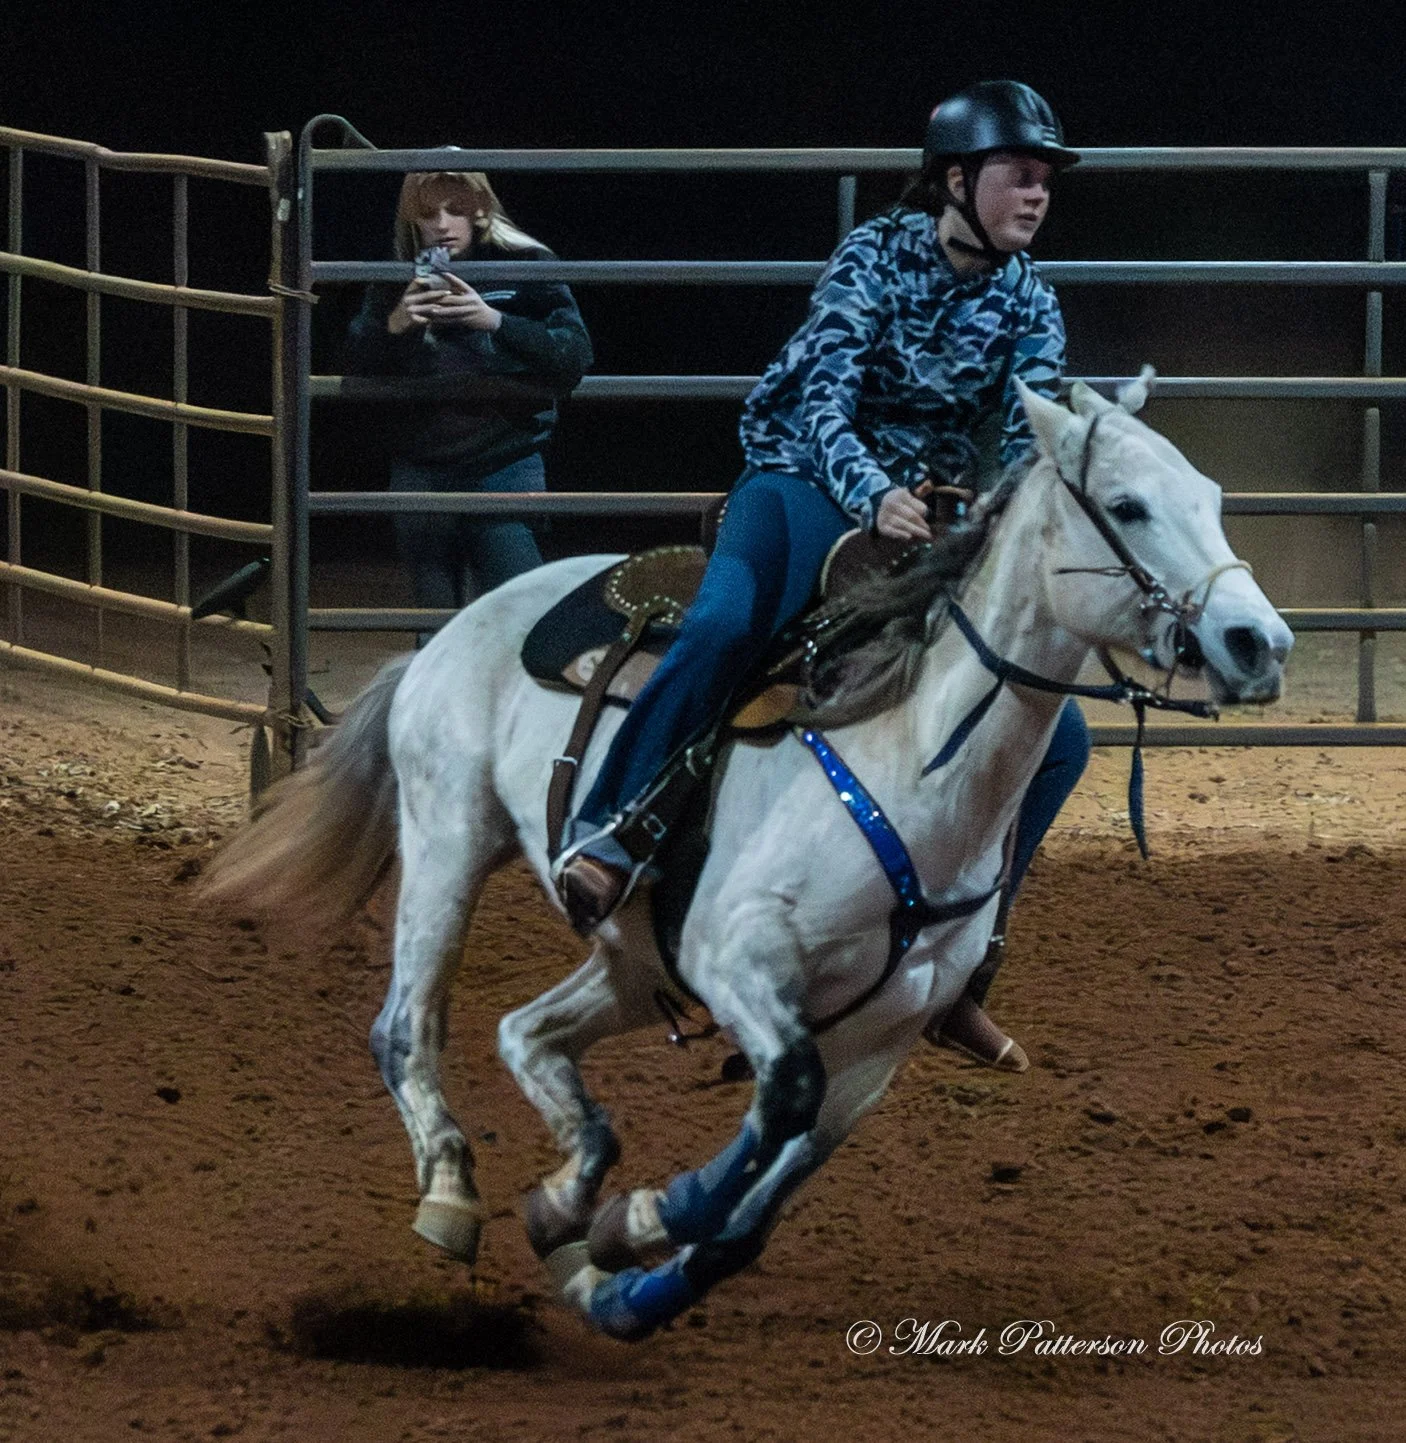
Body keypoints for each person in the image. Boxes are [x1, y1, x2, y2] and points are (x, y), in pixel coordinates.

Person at [555, 81, 1091, 1067]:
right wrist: (871, 492)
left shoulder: (1031, 303)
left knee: (1058, 738)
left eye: (1044, 180)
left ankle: (965, 972)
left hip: (923, 514)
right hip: (801, 477)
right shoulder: (871, 259)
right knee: (722, 628)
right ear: (955, 180)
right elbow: (820, 402)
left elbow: (1024, 436)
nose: (1035, 194)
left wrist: (976, 513)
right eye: (1018, 175)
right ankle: (609, 834)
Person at [345, 167, 592, 639]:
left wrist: (494, 319)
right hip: (421, 467)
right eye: (429, 213)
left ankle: (520, 711)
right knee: (433, 626)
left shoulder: (526, 262)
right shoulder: (395, 275)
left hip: (505, 461)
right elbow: (354, 374)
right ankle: (439, 713)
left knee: (525, 614)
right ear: (412, 219)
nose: (442, 224)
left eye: (455, 210)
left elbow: (575, 355)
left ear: (480, 208)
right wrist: (395, 325)